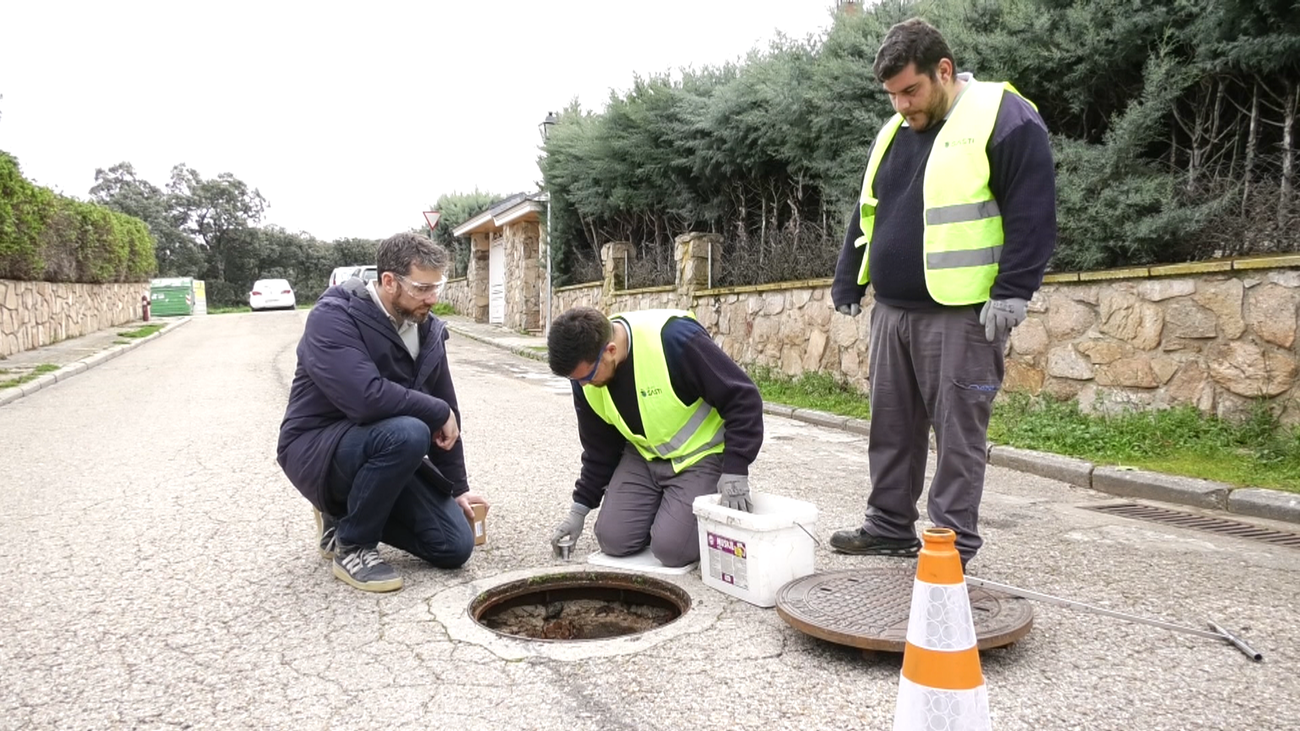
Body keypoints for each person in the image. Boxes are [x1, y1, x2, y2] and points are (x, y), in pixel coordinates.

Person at [829, 18, 1057, 569]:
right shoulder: (892, 132)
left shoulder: (1003, 115)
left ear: (944, 70)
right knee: (891, 429)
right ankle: (888, 527)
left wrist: (1014, 289)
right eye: (892, 95)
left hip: (962, 314)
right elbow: (869, 211)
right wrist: (849, 276)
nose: (902, 105)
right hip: (893, 312)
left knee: (958, 436)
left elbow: (1032, 212)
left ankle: (949, 545)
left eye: (911, 90)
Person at [277, 232, 488, 593]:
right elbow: (365, 398)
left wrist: (458, 488)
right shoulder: (334, 316)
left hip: (383, 448)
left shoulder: (428, 329)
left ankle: (342, 515)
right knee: (409, 432)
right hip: (318, 450)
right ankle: (354, 546)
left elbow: (446, 413)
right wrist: (437, 411)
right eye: (422, 288)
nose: (433, 298)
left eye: (436, 287)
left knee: (454, 545)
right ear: (389, 281)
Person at [546, 307, 764, 567]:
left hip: (700, 456)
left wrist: (735, 470)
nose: (583, 385)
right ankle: (668, 510)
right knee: (612, 540)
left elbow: (743, 398)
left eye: (588, 377)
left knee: (672, 551)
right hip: (644, 456)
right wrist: (579, 509)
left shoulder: (674, 341)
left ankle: (678, 515)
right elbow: (599, 448)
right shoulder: (584, 375)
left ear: (611, 350)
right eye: (576, 379)